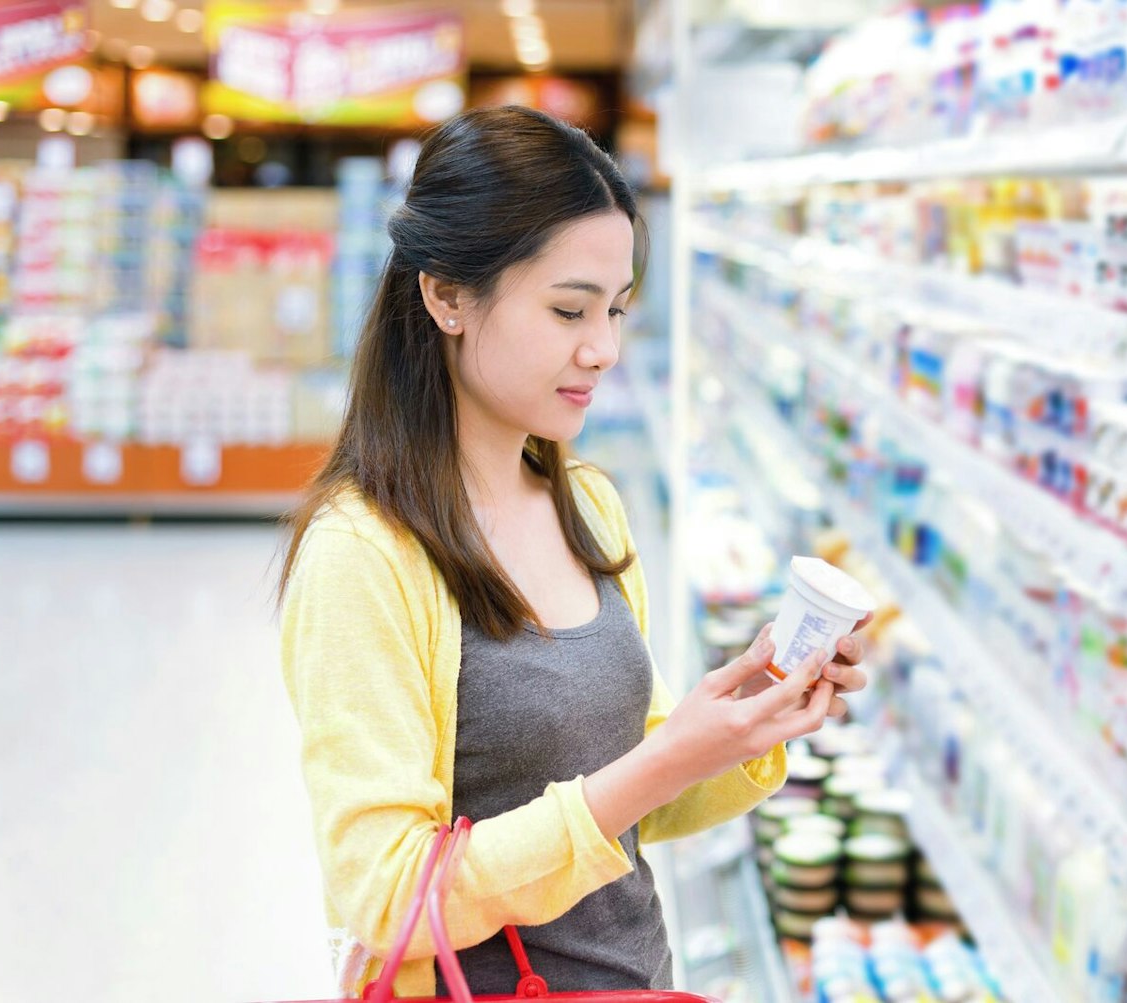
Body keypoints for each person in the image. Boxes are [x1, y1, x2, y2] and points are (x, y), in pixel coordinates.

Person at [275, 106, 870, 998]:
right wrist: (657, 763)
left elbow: (630, 802)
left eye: (619, 308)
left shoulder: (584, 500)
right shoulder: (364, 553)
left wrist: (748, 714)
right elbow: (386, 896)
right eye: (568, 309)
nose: (604, 348)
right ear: (446, 296)